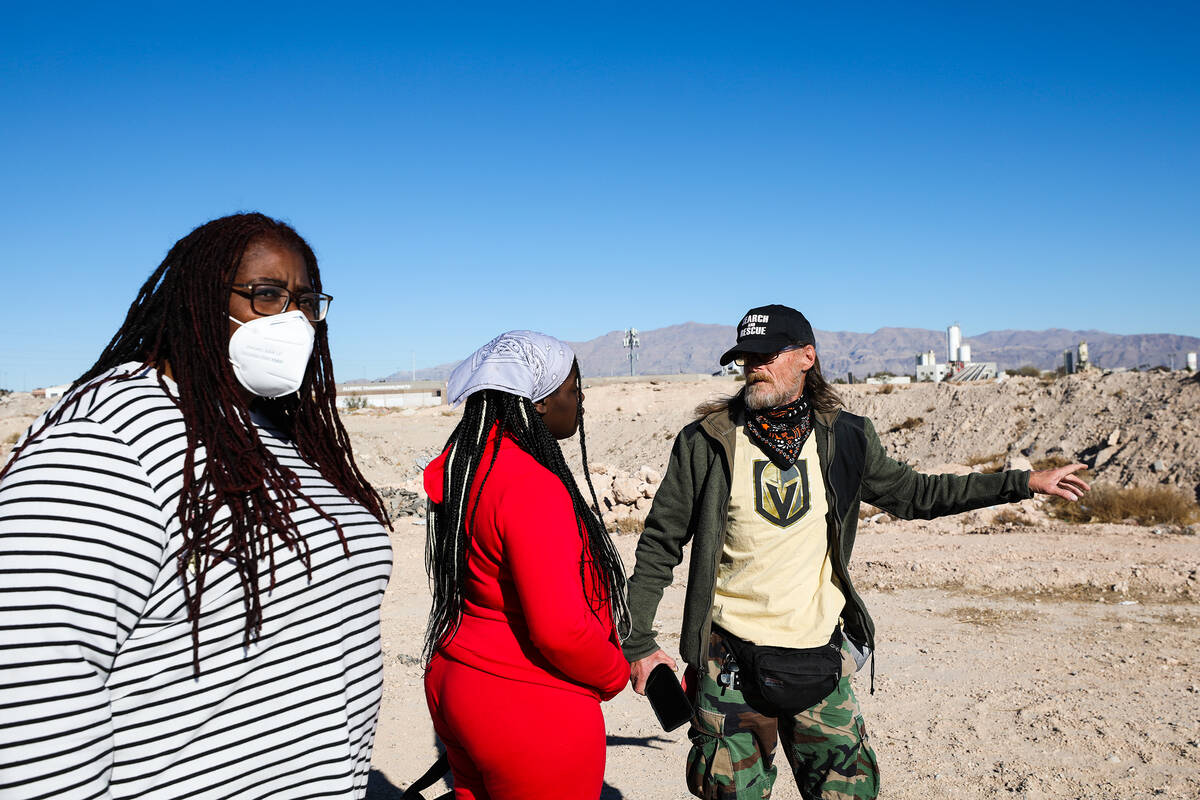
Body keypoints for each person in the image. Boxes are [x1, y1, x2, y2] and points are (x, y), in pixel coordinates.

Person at [624, 304, 1090, 800]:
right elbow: (659, 544)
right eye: (745, 356)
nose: (753, 365)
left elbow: (918, 494)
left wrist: (1022, 482)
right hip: (729, 663)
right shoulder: (707, 442)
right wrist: (639, 644)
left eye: (766, 354)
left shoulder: (846, 438)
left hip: (820, 658)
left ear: (807, 357)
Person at [0, 213, 392, 799]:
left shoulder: (276, 430)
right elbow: (30, 689)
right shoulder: (109, 439)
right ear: (197, 299)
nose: (294, 320)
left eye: (307, 301)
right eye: (266, 295)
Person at [422, 331, 630, 800]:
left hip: (459, 684)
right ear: (537, 403)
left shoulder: (468, 463)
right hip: (528, 707)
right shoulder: (532, 485)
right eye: (573, 389)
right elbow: (559, 629)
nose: (579, 401)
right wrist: (615, 671)